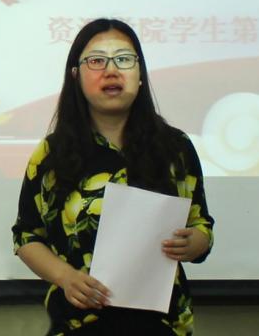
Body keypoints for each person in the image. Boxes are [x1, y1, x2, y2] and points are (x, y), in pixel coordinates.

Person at [12, 18, 214, 335]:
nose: (111, 70)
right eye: (97, 61)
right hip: (79, 322)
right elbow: (27, 237)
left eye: (124, 59)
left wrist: (195, 242)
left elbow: (201, 224)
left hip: (160, 324)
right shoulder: (52, 153)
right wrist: (66, 277)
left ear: (140, 75)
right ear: (76, 76)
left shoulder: (175, 148)